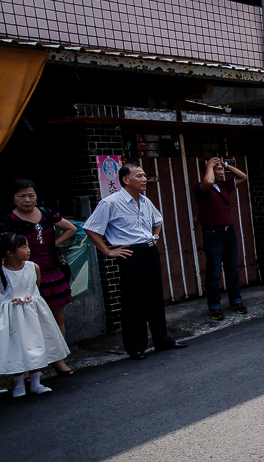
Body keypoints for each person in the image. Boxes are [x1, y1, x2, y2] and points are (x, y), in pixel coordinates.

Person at [83, 163, 187, 360]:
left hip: (149, 251)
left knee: (155, 297)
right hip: (130, 254)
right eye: (139, 176)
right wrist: (108, 251)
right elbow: (91, 228)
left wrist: (154, 237)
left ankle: (162, 339)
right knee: (134, 301)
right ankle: (136, 346)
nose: (144, 179)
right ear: (125, 179)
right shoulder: (110, 203)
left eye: (144, 175)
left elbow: (158, 220)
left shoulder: (145, 201)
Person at [1, 180, 76, 376]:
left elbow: (71, 229)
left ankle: (59, 361)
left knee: (57, 318)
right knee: (27, 326)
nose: (27, 200)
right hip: (26, 275)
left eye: (31, 195)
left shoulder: (47, 213)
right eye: (21, 196)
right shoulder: (7, 221)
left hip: (52, 270)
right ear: (13, 198)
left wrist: (54, 244)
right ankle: (30, 368)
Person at [1, 233, 70, 397]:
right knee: (15, 346)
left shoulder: (33, 267)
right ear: (10, 252)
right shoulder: (2, 271)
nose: (28, 250)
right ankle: (18, 382)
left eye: (27, 246)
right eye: (23, 247)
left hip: (31, 311)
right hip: (11, 314)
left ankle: (36, 381)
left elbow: (35, 287)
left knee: (35, 343)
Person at [194, 156, 249, 320]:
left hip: (228, 232)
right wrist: (210, 166)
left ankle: (236, 300)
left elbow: (243, 177)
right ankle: (214, 305)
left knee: (232, 269)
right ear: (207, 170)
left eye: (220, 169)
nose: (221, 172)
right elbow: (208, 183)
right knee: (214, 272)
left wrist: (226, 165)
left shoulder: (224, 185)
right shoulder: (200, 187)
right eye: (217, 169)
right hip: (213, 234)